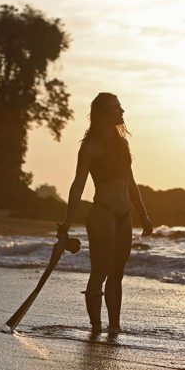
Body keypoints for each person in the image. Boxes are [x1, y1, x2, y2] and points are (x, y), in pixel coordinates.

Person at [60, 92, 153, 333]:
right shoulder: (91, 147)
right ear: (102, 113)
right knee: (100, 271)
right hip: (102, 213)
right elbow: (78, 183)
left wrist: (143, 214)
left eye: (121, 107)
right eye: (116, 108)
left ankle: (114, 327)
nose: (121, 112)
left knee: (117, 274)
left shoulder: (122, 143)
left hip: (125, 216)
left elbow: (131, 182)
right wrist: (67, 222)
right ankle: (96, 326)